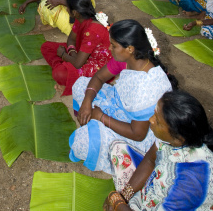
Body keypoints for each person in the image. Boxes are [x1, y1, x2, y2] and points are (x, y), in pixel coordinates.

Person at [69, 21, 174, 173]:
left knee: (81, 142)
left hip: (135, 133)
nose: (109, 48)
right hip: (117, 105)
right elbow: (98, 77)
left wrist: (101, 117)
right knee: (80, 85)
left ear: (130, 49)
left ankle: (94, 128)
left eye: (113, 45)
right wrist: (87, 102)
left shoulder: (147, 86)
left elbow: (138, 134)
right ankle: (90, 122)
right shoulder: (128, 61)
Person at [41, 0, 113, 95]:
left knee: (59, 73)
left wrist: (63, 55)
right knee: (46, 46)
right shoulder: (81, 18)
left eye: (68, 8)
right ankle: (66, 67)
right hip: (80, 53)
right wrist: (72, 54)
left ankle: (66, 71)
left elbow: (78, 64)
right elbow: (71, 39)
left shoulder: (92, 30)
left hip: (98, 65)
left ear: (74, 12)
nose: (66, 9)